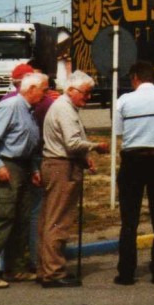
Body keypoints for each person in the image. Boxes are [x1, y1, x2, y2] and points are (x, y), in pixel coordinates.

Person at [0, 72, 48, 289]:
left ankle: (16, 268)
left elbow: (29, 142)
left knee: (21, 218)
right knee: (2, 218)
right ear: (31, 89)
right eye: (44, 89)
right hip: (8, 165)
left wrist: (33, 168)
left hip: (22, 165)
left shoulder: (29, 111)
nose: (46, 93)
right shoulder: (11, 106)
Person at [38, 71, 108, 288]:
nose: (88, 98)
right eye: (85, 94)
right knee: (59, 220)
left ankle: (45, 268)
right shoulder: (65, 110)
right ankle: (54, 272)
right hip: (62, 166)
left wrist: (84, 158)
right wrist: (96, 146)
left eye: (90, 94)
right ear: (71, 90)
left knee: (49, 218)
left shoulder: (63, 107)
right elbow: (72, 143)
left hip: (57, 163)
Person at [113, 60, 154, 285]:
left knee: (129, 220)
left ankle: (126, 272)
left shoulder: (123, 101)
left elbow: (119, 132)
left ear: (135, 78)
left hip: (132, 162)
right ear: (153, 78)